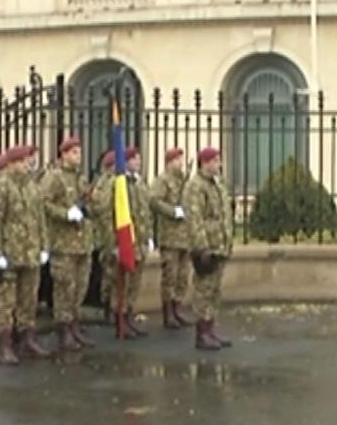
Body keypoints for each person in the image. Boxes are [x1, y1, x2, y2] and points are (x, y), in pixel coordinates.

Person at [0, 145, 51, 364]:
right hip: (8, 253)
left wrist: (44, 246)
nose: (26, 165)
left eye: (26, 161)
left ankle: (27, 337)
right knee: (5, 300)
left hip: (30, 252)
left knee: (29, 298)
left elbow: (40, 220)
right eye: (21, 161)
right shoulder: (0, 188)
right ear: (9, 165)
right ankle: (5, 344)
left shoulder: (32, 187)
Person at [40, 136, 95, 351]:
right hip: (63, 244)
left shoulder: (80, 178)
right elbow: (43, 204)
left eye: (79, 152)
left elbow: (87, 201)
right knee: (64, 288)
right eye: (74, 152)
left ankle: (74, 325)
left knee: (79, 288)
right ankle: (63, 330)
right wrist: (65, 214)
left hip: (82, 242)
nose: (78, 156)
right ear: (64, 154)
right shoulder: (53, 177)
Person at [91, 147, 153, 339]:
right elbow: (108, 215)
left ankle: (128, 316)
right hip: (124, 241)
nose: (138, 162)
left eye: (139, 158)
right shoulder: (117, 183)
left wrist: (149, 236)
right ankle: (119, 318)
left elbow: (145, 213)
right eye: (134, 159)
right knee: (120, 283)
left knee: (134, 283)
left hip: (139, 241)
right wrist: (113, 244)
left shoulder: (139, 183)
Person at [183, 147, 234, 351]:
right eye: (215, 161)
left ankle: (211, 328)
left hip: (220, 245)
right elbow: (195, 219)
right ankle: (202, 333)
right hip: (207, 247)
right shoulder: (196, 187)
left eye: (219, 160)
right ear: (204, 163)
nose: (218, 164)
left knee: (214, 290)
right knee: (203, 290)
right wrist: (202, 247)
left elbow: (224, 214)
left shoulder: (217, 184)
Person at [149, 147, 193, 329]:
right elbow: (153, 201)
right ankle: (167, 313)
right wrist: (172, 211)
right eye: (177, 160)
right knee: (170, 276)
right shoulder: (163, 180)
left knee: (183, 276)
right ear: (169, 162)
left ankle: (177, 309)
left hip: (184, 236)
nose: (181, 163)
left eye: (181, 160)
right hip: (170, 236)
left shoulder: (184, 180)